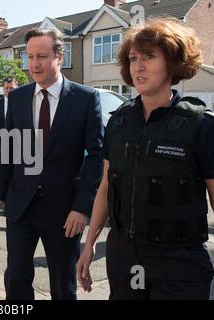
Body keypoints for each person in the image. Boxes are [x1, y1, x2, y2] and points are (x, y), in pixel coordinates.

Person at [77, 17, 214, 300]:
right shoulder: (117, 123)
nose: (138, 66)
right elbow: (105, 187)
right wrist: (88, 244)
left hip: (181, 262)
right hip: (124, 256)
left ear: (174, 61)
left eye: (150, 56)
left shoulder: (201, 125)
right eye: (133, 58)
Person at [0, 28, 104, 300]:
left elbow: (97, 156)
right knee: (15, 278)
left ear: (59, 57)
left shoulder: (86, 99)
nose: (34, 64)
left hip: (64, 213)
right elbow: (8, 150)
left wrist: (81, 208)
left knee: (62, 286)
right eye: (29, 57)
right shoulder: (16, 97)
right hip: (21, 205)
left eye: (41, 56)